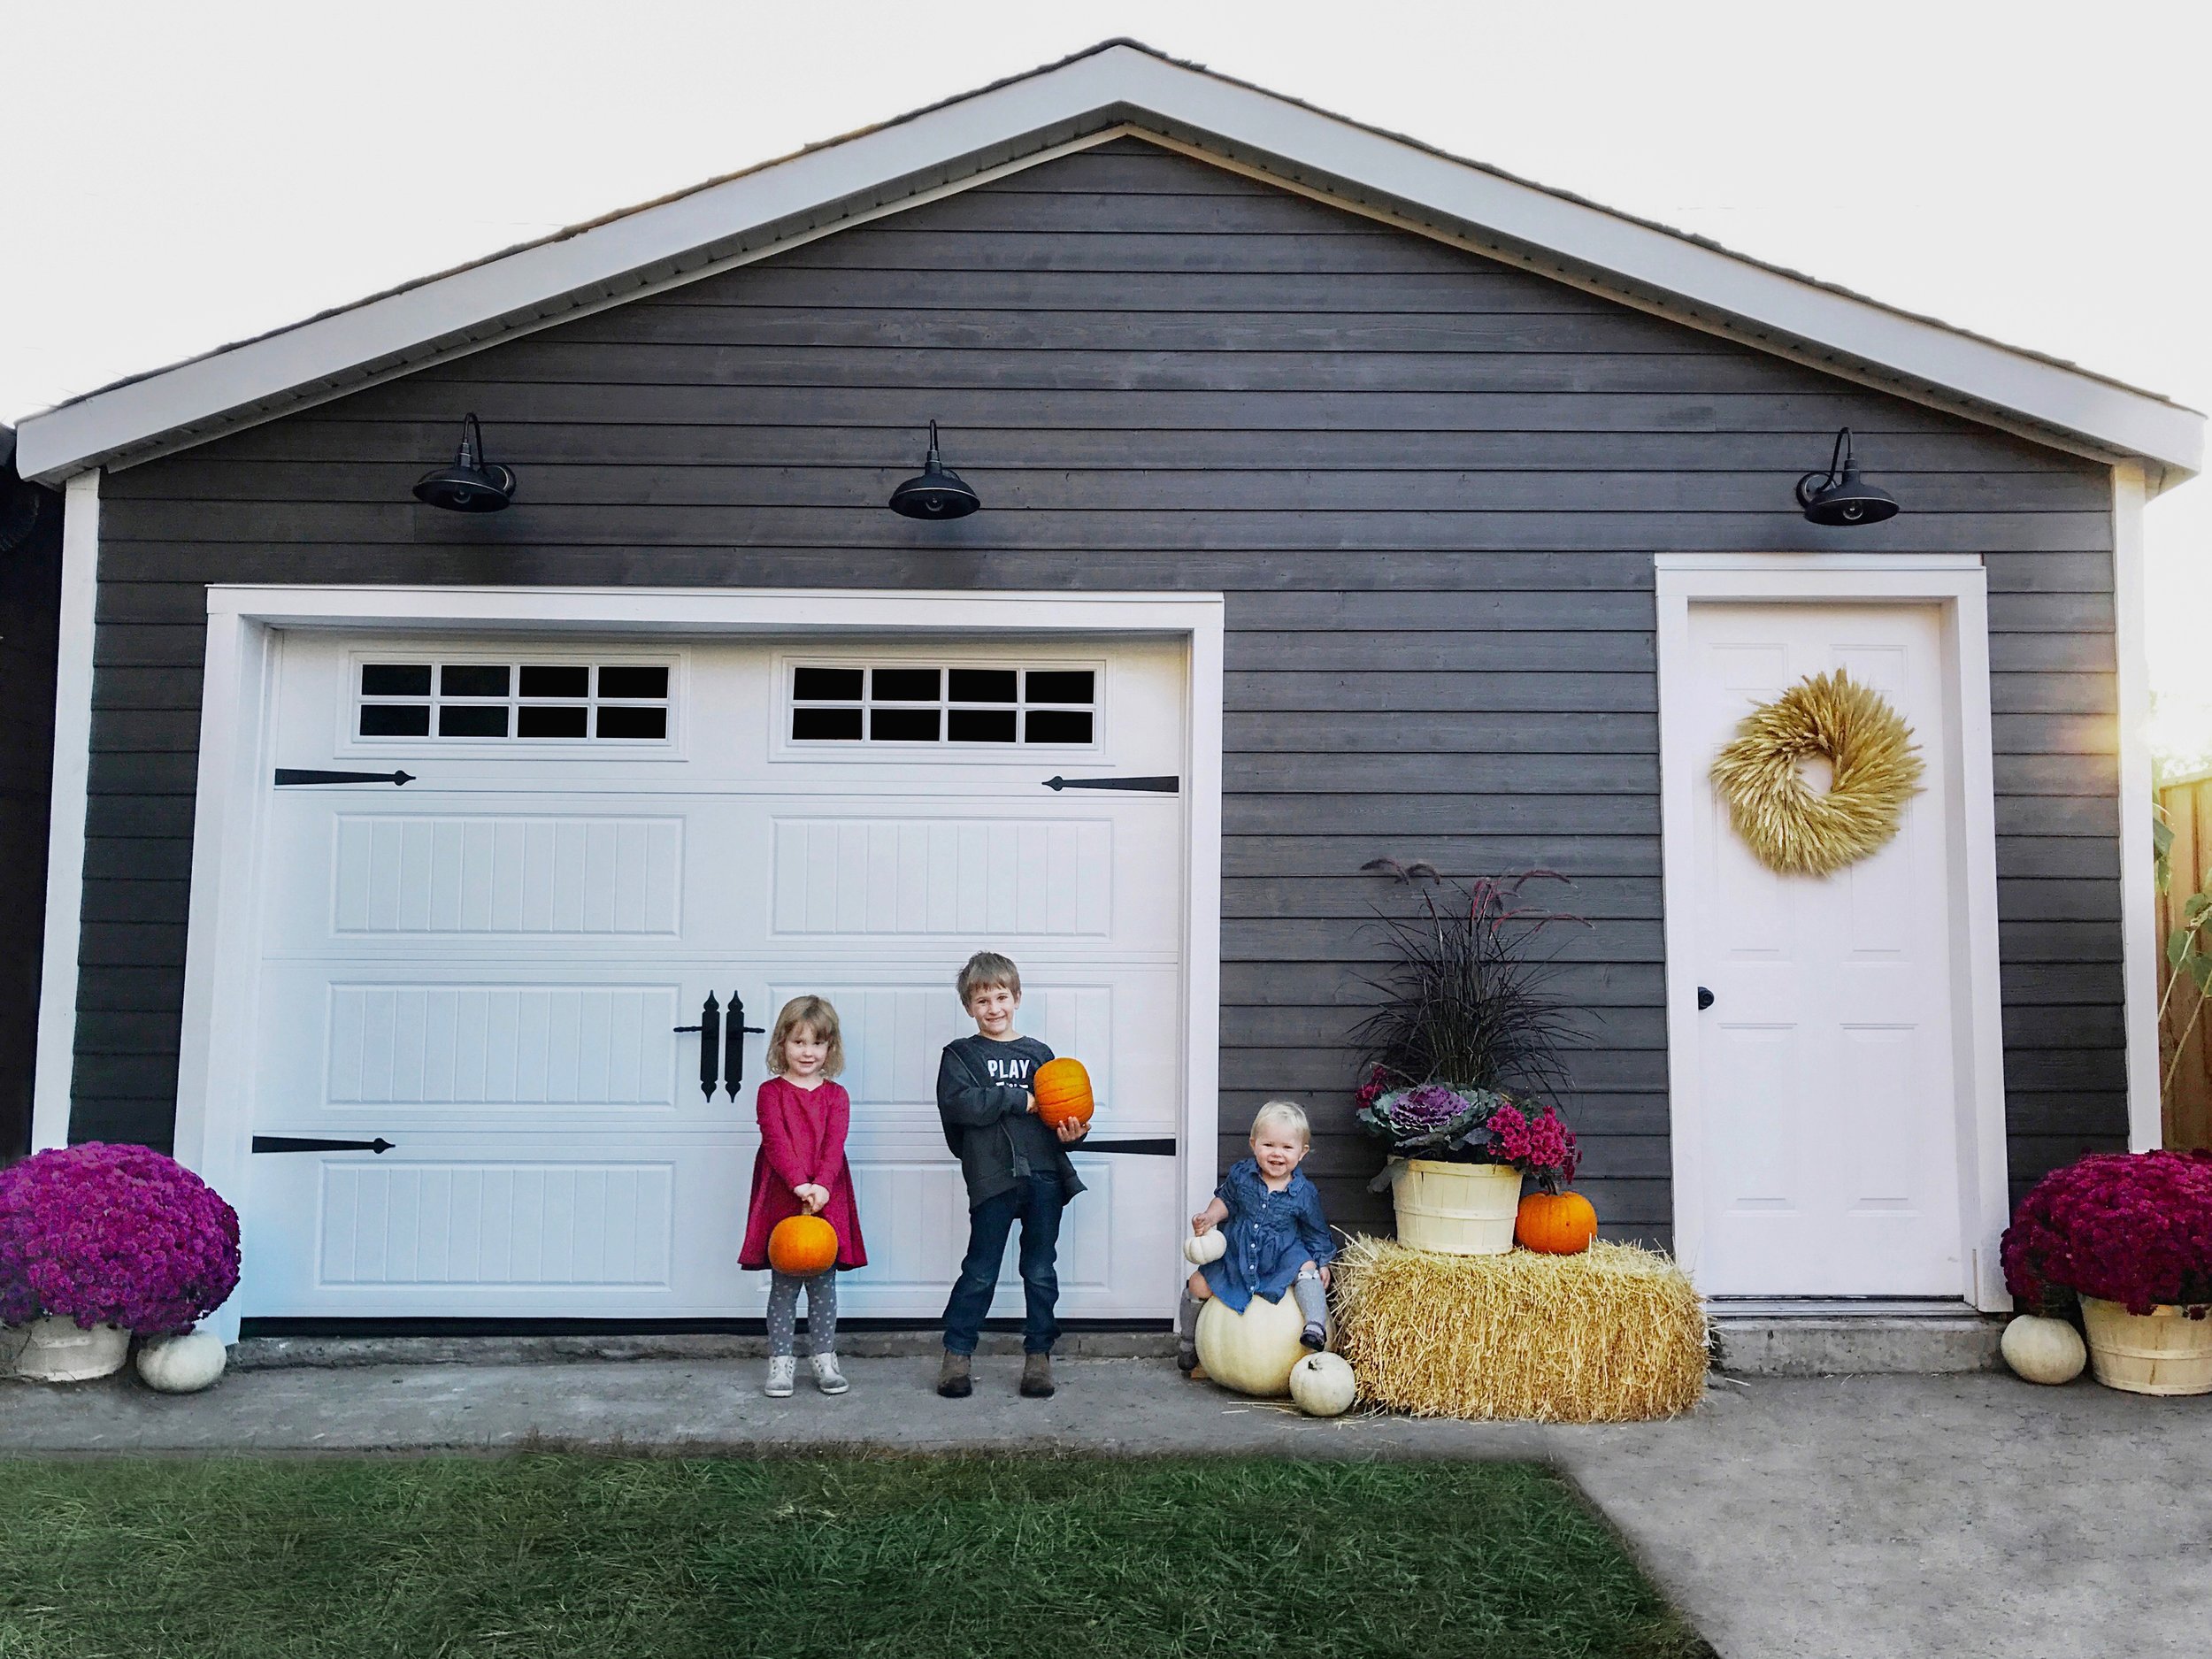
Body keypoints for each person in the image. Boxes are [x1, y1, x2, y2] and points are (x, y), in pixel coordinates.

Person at [934, 950, 1088, 1399]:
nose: (994, 1008)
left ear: (1017, 997)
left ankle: (1038, 1355)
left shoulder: (1039, 1054)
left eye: (1001, 997)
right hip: (991, 1178)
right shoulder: (960, 1056)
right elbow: (960, 1104)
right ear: (969, 1007)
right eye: (982, 1001)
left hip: (1043, 1177)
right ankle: (957, 1353)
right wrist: (1015, 1100)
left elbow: (1059, 1117)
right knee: (980, 1270)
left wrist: (1072, 1133)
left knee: (1039, 1270)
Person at [738, 995, 865, 1397]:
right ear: (781, 1045)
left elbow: (834, 1144)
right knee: (785, 1284)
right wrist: (799, 1185)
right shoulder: (770, 1093)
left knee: (824, 1284)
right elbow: (775, 1141)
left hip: (827, 1195)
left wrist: (823, 1186)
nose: (807, 1052)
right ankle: (780, 1363)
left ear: (830, 1048)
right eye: (798, 1042)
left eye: (817, 1043)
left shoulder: (836, 1097)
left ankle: (824, 1359)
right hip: (783, 1194)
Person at [1179, 1099, 1335, 1372]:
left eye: (1287, 1147)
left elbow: (1315, 1231)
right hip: (1239, 1253)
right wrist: (1210, 1216)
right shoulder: (1241, 1175)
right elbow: (1225, 1200)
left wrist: (1322, 1262)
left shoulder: (1304, 1192)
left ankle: (1315, 1326)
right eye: (1269, 1145)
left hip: (1283, 1253)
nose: (1277, 1154)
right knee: (1197, 1284)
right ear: (1253, 1144)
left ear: (1302, 1153)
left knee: (1307, 1269)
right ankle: (1189, 1342)